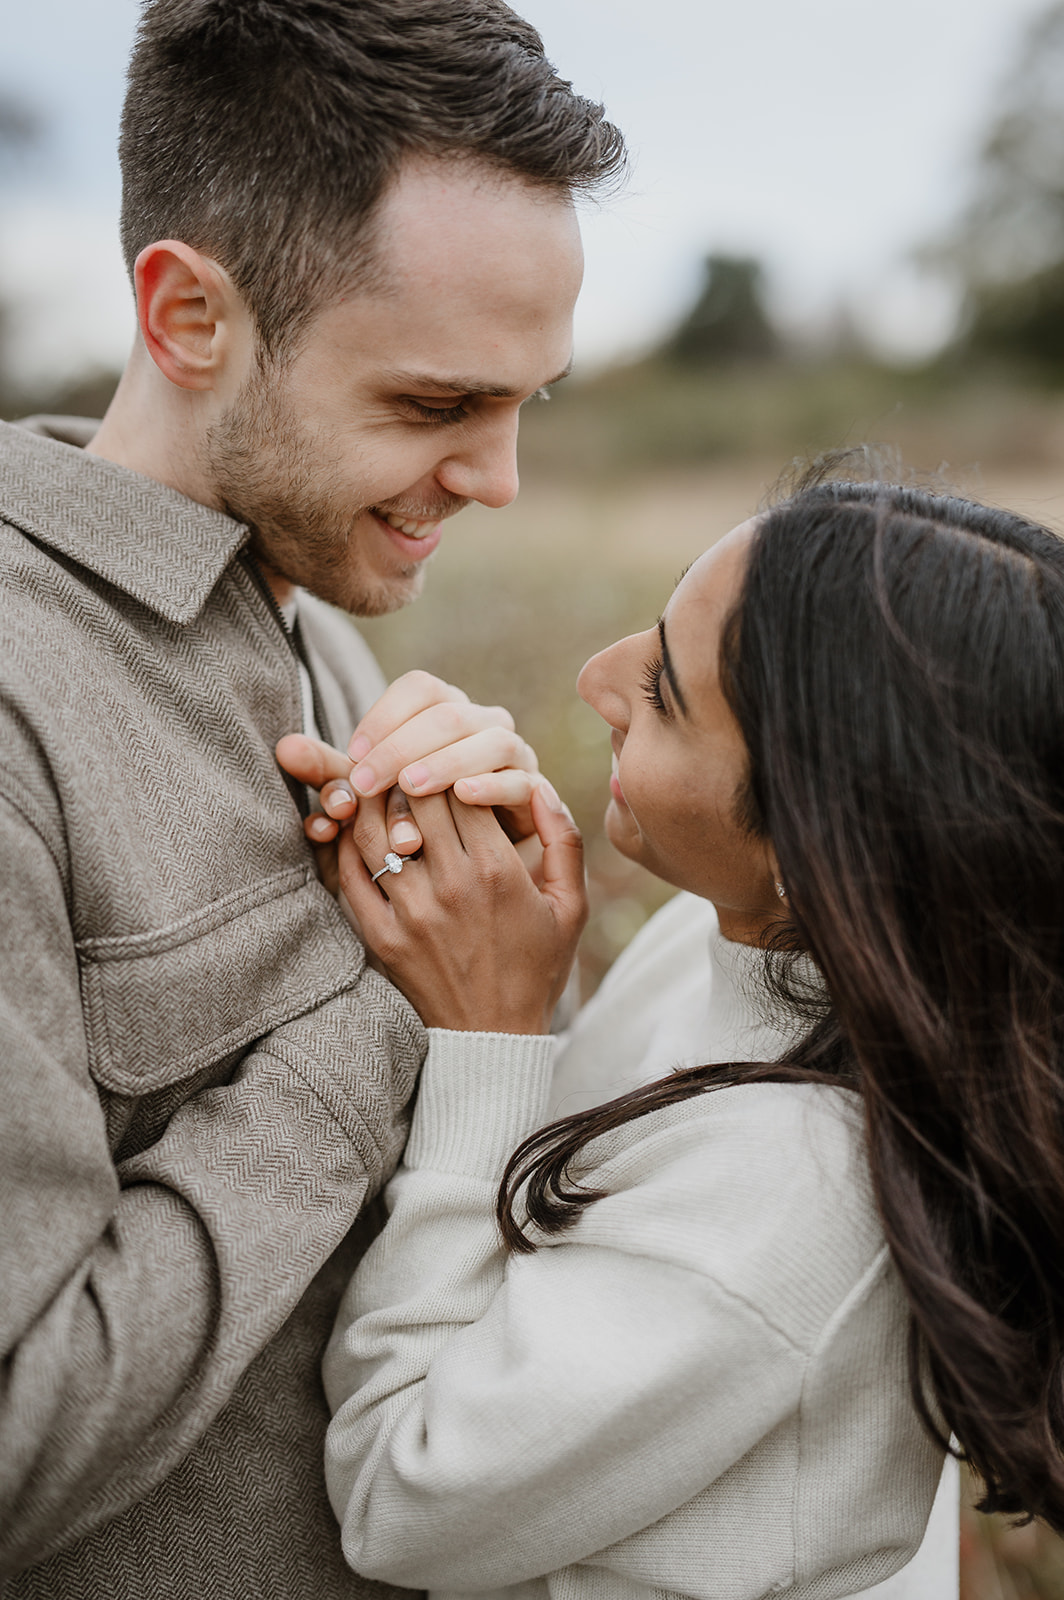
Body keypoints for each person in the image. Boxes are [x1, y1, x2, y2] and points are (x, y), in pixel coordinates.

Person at [0, 2, 624, 1594]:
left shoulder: (334, 644)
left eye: (522, 403)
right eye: (435, 407)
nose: (495, 481)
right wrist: (387, 1015)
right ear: (190, 315)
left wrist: (512, 964)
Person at [318, 477, 1064, 1598]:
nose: (597, 678)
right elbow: (581, 1193)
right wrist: (516, 958)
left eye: (664, 690)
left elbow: (396, 1497)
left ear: (814, 845)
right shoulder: (719, 938)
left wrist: (485, 1040)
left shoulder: (791, 1195)